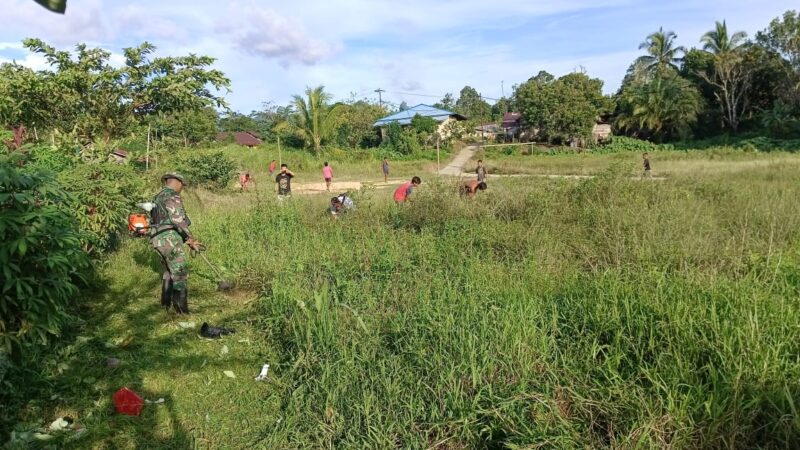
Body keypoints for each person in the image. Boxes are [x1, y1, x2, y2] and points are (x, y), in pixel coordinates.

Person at [150, 172, 201, 314]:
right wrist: (190, 239)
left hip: (157, 238)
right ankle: (181, 310)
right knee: (179, 272)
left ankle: (165, 305)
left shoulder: (157, 197)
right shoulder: (172, 195)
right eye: (182, 185)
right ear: (177, 182)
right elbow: (177, 220)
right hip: (169, 238)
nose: (182, 188)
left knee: (168, 271)